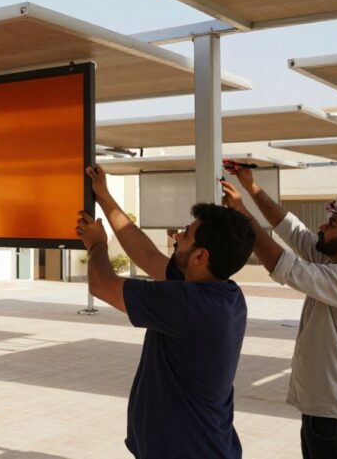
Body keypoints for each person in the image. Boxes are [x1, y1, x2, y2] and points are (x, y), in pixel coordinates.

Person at [222, 162, 337, 459]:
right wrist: (251, 186)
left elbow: (283, 265)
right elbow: (291, 230)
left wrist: (242, 213)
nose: (322, 226)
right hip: (335, 417)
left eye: (332, 225)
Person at [77, 165, 255, 459]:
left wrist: (97, 245)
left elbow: (102, 285)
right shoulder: (225, 294)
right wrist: (104, 197)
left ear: (201, 256)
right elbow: (147, 255)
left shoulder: (188, 303)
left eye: (187, 235)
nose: (178, 236)